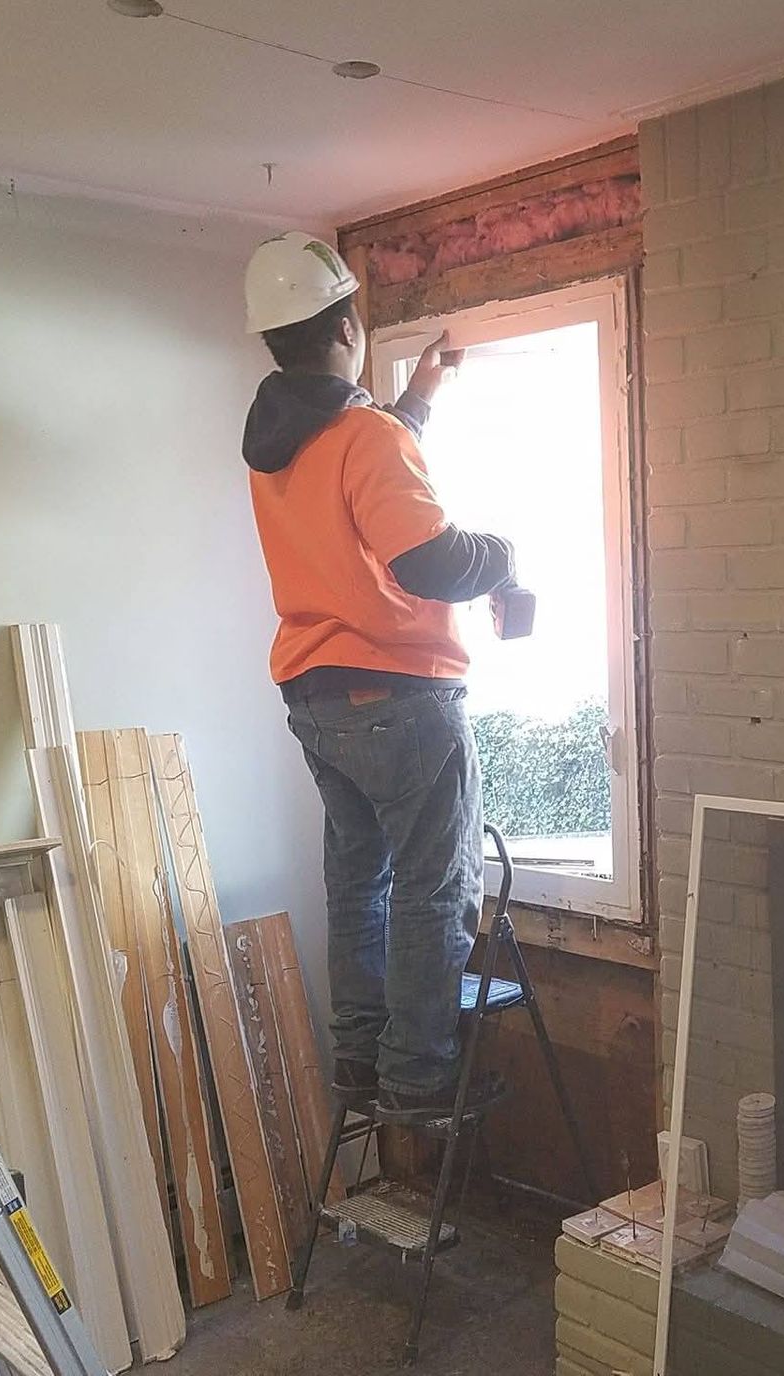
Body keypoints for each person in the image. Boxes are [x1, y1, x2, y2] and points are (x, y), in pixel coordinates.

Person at [240, 231, 513, 1122]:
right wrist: (505, 555)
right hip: (399, 696)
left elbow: (366, 459)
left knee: (360, 882)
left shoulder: (281, 443)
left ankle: (360, 1060)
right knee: (435, 888)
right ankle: (418, 1077)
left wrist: (422, 395)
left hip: (316, 699)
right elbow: (428, 559)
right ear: (349, 323)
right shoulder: (361, 437)